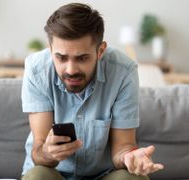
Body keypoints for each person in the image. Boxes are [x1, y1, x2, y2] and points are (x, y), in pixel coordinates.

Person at [21, 3, 164, 180]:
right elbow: (38, 150)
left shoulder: (123, 72)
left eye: (82, 58)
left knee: (133, 179)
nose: (71, 69)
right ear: (50, 51)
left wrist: (129, 157)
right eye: (61, 58)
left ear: (100, 51)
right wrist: (48, 153)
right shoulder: (36, 70)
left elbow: (123, 146)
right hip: (54, 173)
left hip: (103, 175)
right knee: (38, 176)